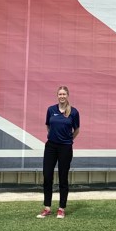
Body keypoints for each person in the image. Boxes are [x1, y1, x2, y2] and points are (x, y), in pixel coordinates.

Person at [36, 85, 80, 219]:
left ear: (67, 96)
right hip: (51, 147)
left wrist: (68, 140)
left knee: (63, 177)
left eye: (64, 94)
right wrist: (54, 138)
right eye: (60, 94)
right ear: (57, 95)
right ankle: (47, 208)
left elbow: (76, 130)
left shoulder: (73, 112)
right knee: (47, 176)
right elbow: (48, 126)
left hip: (65, 148)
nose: (62, 96)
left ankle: (61, 208)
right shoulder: (51, 110)